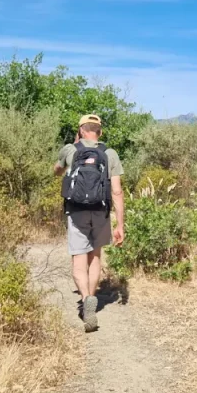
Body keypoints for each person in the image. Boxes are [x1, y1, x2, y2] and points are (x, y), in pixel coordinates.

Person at [54, 114, 125, 333]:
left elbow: (56, 171)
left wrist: (70, 153)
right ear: (100, 132)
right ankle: (91, 298)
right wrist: (120, 225)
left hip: (77, 212)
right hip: (100, 211)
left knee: (79, 259)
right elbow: (117, 191)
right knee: (95, 257)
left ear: (81, 130)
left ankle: (86, 300)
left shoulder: (70, 150)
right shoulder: (110, 154)